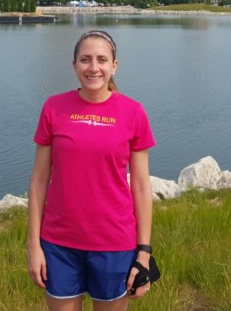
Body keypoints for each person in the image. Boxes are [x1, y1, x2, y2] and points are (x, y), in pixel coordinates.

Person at [28, 30, 156, 310]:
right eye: (85, 59)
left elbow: (142, 186)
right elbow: (39, 180)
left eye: (101, 59)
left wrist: (143, 253)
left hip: (115, 243)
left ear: (114, 65)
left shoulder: (133, 112)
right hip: (59, 243)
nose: (93, 67)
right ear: (74, 65)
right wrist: (34, 245)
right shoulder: (54, 108)